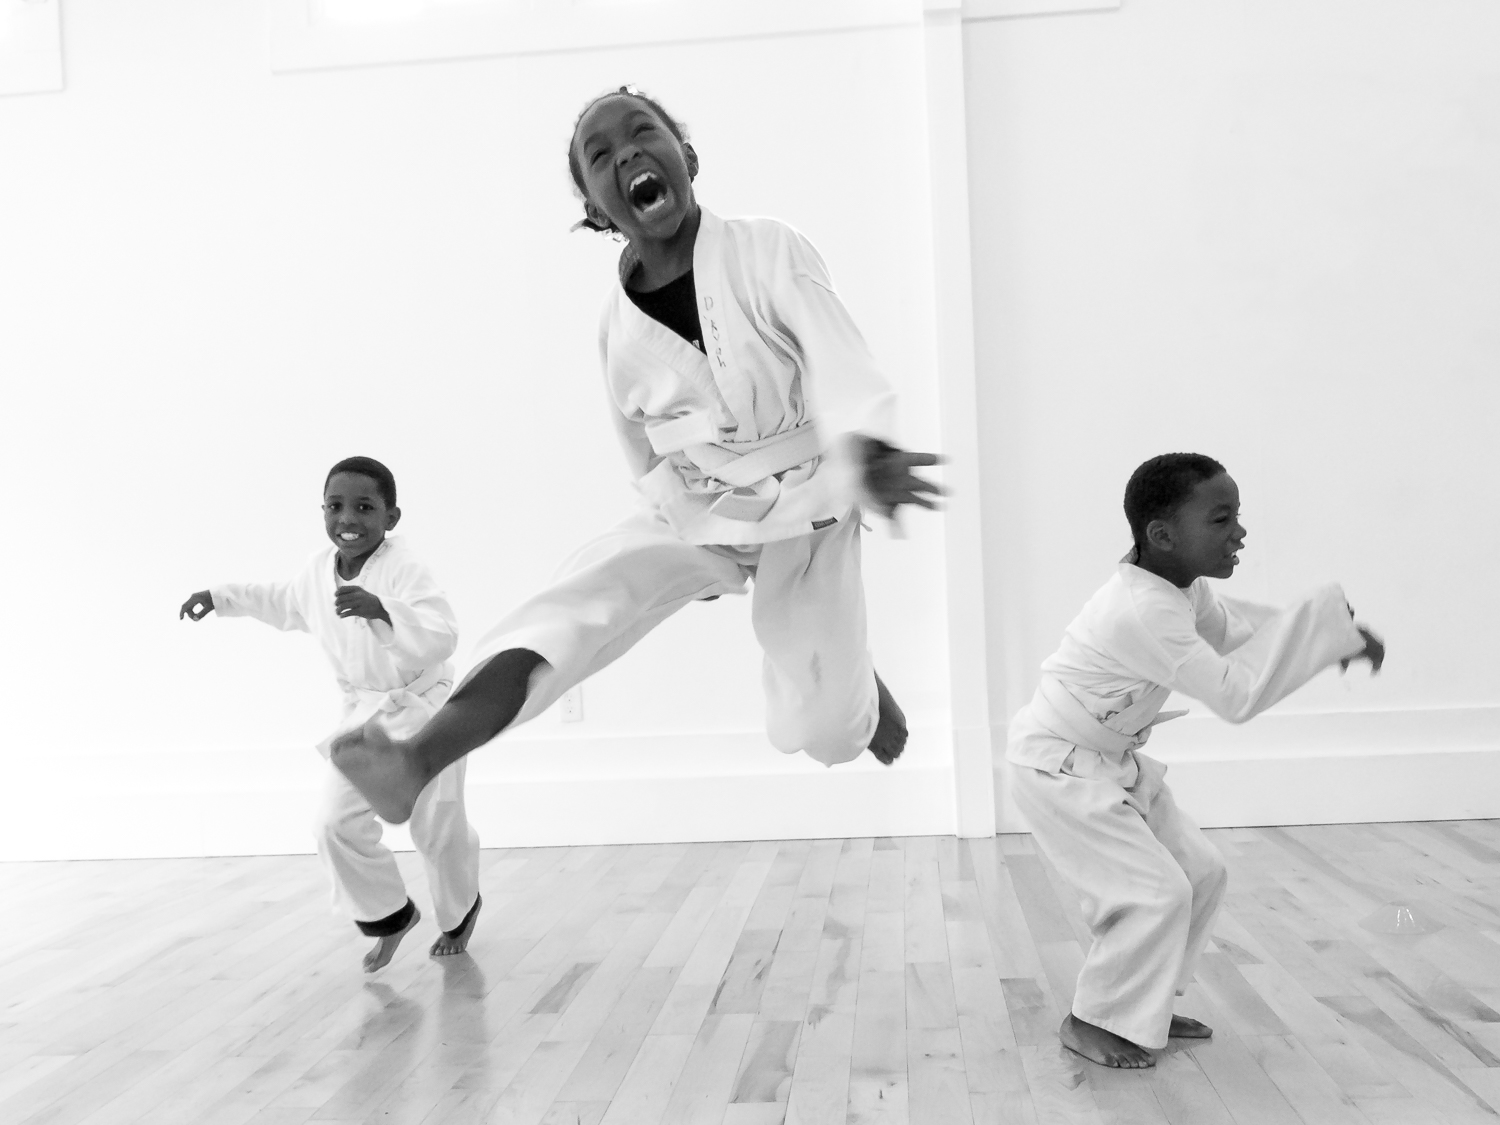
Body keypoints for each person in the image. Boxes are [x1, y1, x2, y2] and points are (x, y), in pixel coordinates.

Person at [330, 87, 944, 825]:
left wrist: (868, 448)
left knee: (824, 732)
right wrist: (683, 539)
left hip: (814, 505)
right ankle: (418, 757)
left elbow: (837, 354)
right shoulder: (616, 331)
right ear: (597, 207)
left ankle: (857, 696)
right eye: (600, 154)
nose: (626, 152)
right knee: (581, 599)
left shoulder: (767, 247)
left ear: (685, 157)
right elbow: (644, 454)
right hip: (705, 507)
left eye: (643, 133)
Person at [1006, 452, 1384, 1068]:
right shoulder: (1142, 610)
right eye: (1221, 518)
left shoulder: (1178, 587)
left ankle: (1139, 1003)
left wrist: (1333, 637)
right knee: (1154, 893)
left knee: (1201, 873)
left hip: (1108, 761)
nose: (1239, 532)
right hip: (1059, 769)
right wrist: (1320, 630)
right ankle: (1093, 1017)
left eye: (1237, 515)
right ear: (1162, 535)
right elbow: (1236, 695)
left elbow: (1235, 632)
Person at [180, 456, 482, 972]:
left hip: (428, 711)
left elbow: (442, 633)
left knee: (436, 823)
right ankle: (390, 916)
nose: (348, 518)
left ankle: (459, 912)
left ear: (391, 517)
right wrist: (220, 596)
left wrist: (383, 610)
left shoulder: (404, 567)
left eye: (365, 507)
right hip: (367, 719)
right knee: (332, 824)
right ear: (322, 511)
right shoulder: (317, 571)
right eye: (336, 506)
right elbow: (280, 601)